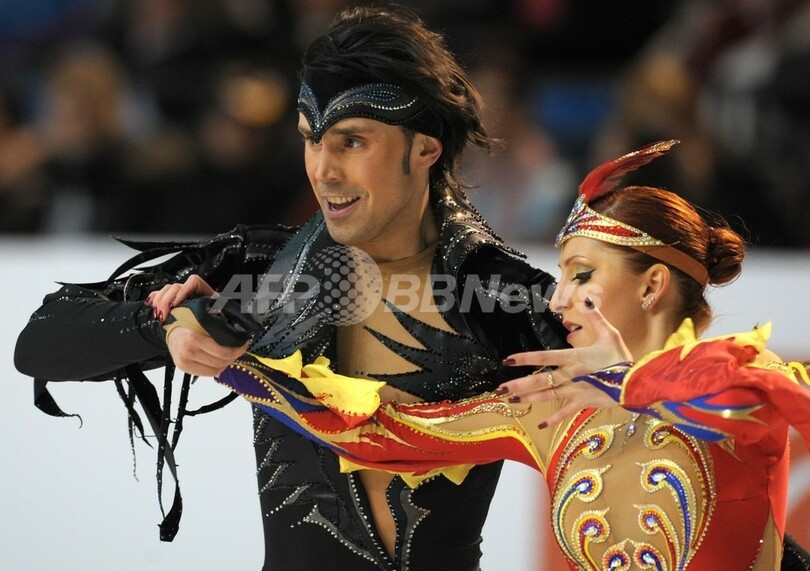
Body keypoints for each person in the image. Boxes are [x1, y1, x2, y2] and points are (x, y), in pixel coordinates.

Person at [14, 6, 566, 570]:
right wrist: (166, 329)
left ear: (425, 149)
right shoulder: (266, 271)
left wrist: (610, 377)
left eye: (352, 142)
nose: (323, 170)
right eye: (311, 140)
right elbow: (39, 340)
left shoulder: (501, 294)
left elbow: (620, 428)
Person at [212, 140, 810, 570]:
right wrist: (228, 357)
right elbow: (375, 435)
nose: (559, 298)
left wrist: (627, 381)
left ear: (651, 285)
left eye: (582, 275)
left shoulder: (748, 376)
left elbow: (746, 401)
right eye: (562, 275)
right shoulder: (552, 411)